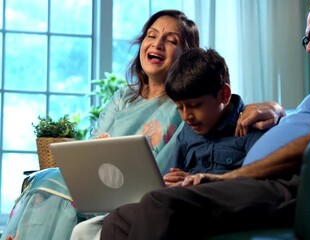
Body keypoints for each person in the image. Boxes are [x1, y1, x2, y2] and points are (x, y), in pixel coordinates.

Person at [99, 0, 310, 239]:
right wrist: (280, 111)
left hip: (287, 187)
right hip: (265, 182)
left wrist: (231, 177)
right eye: (307, 39)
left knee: (159, 204)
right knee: (120, 219)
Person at [3, 10, 284, 240]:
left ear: (188, 55)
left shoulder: (184, 109)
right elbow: (91, 147)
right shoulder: (122, 97)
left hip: (143, 197)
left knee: (56, 191)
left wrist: (276, 108)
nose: (157, 44)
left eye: (170, 40)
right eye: (151, 36)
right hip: (99, 188)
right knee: (45, 182)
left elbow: (228, 109)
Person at [162, 47, 266, 186]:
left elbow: (259, 181)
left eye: (195, 105)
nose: (186, 116)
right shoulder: (187, 132)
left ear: (224, 94)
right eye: (180, 108)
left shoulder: (252, 126)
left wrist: (198, 183)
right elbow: (168, 177)